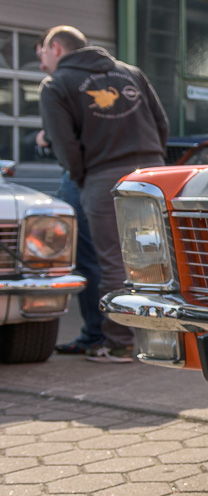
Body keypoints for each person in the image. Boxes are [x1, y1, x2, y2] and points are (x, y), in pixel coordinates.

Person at [38, 26, 169, 363]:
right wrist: (153, 160)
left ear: (55, 48)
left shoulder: (56, 85)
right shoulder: (131, 72)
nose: (40, 60)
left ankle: (119, 343)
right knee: (155, 258)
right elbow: (161, 123)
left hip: (103, 177)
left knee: (111, 260)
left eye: (42, 52)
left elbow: (66, 147)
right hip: (152, 176)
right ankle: (166, 339)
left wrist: (85, 179)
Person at [35, 127, 105, 356]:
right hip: (123, 172)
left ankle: (97, 335)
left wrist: (46, 137)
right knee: (121, 257)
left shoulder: (63, 91)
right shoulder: (133, 93)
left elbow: (52, 136)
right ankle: (120, 335)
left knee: (88, 258)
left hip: (85, 174)